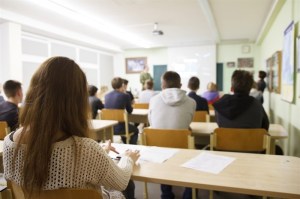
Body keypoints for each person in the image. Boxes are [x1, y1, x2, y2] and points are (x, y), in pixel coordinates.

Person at [3, 57, 140, 199]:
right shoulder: (86, 149)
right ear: (77, 99)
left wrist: (100, 154)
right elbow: (121, 181)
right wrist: (127, 158)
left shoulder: (9, 144)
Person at [148, 71, 196, 199]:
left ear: (162, 85)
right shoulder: (191, 102)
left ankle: (166, 193)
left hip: (159, 151)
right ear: (180, 85)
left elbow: (152, 123)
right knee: (191, 144)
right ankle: (188, 193)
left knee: (163, 144)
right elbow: (188, 122)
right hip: (182, 149)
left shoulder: (153, 100)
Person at [105, 77, 139, 145]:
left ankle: (125, 144)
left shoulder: (106, 96)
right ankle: (132, 147)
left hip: (108, 127)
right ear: (122, 85)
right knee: (136, 130)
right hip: (120, 127)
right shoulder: (125, 96)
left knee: (125, 126)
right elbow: (130, 111)